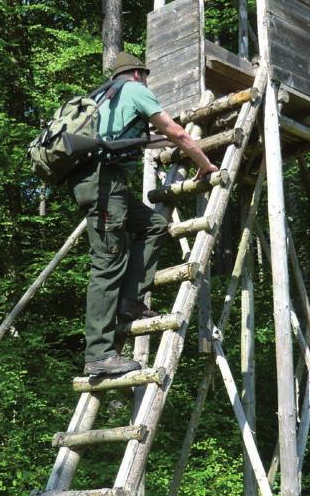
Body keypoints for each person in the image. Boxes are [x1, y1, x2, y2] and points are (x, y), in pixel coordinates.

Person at [68, 51, 219, 378]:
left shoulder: (102, 97)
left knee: (154, 225)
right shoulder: (136, 91)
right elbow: (176, 133)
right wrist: (204, 164)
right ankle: (98, 353)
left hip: (99, 184)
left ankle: (131, 303)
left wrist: (165, 141)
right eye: (146, 77)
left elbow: (134, 139)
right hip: (105, 185)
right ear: (137, 74)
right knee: (107, 263)